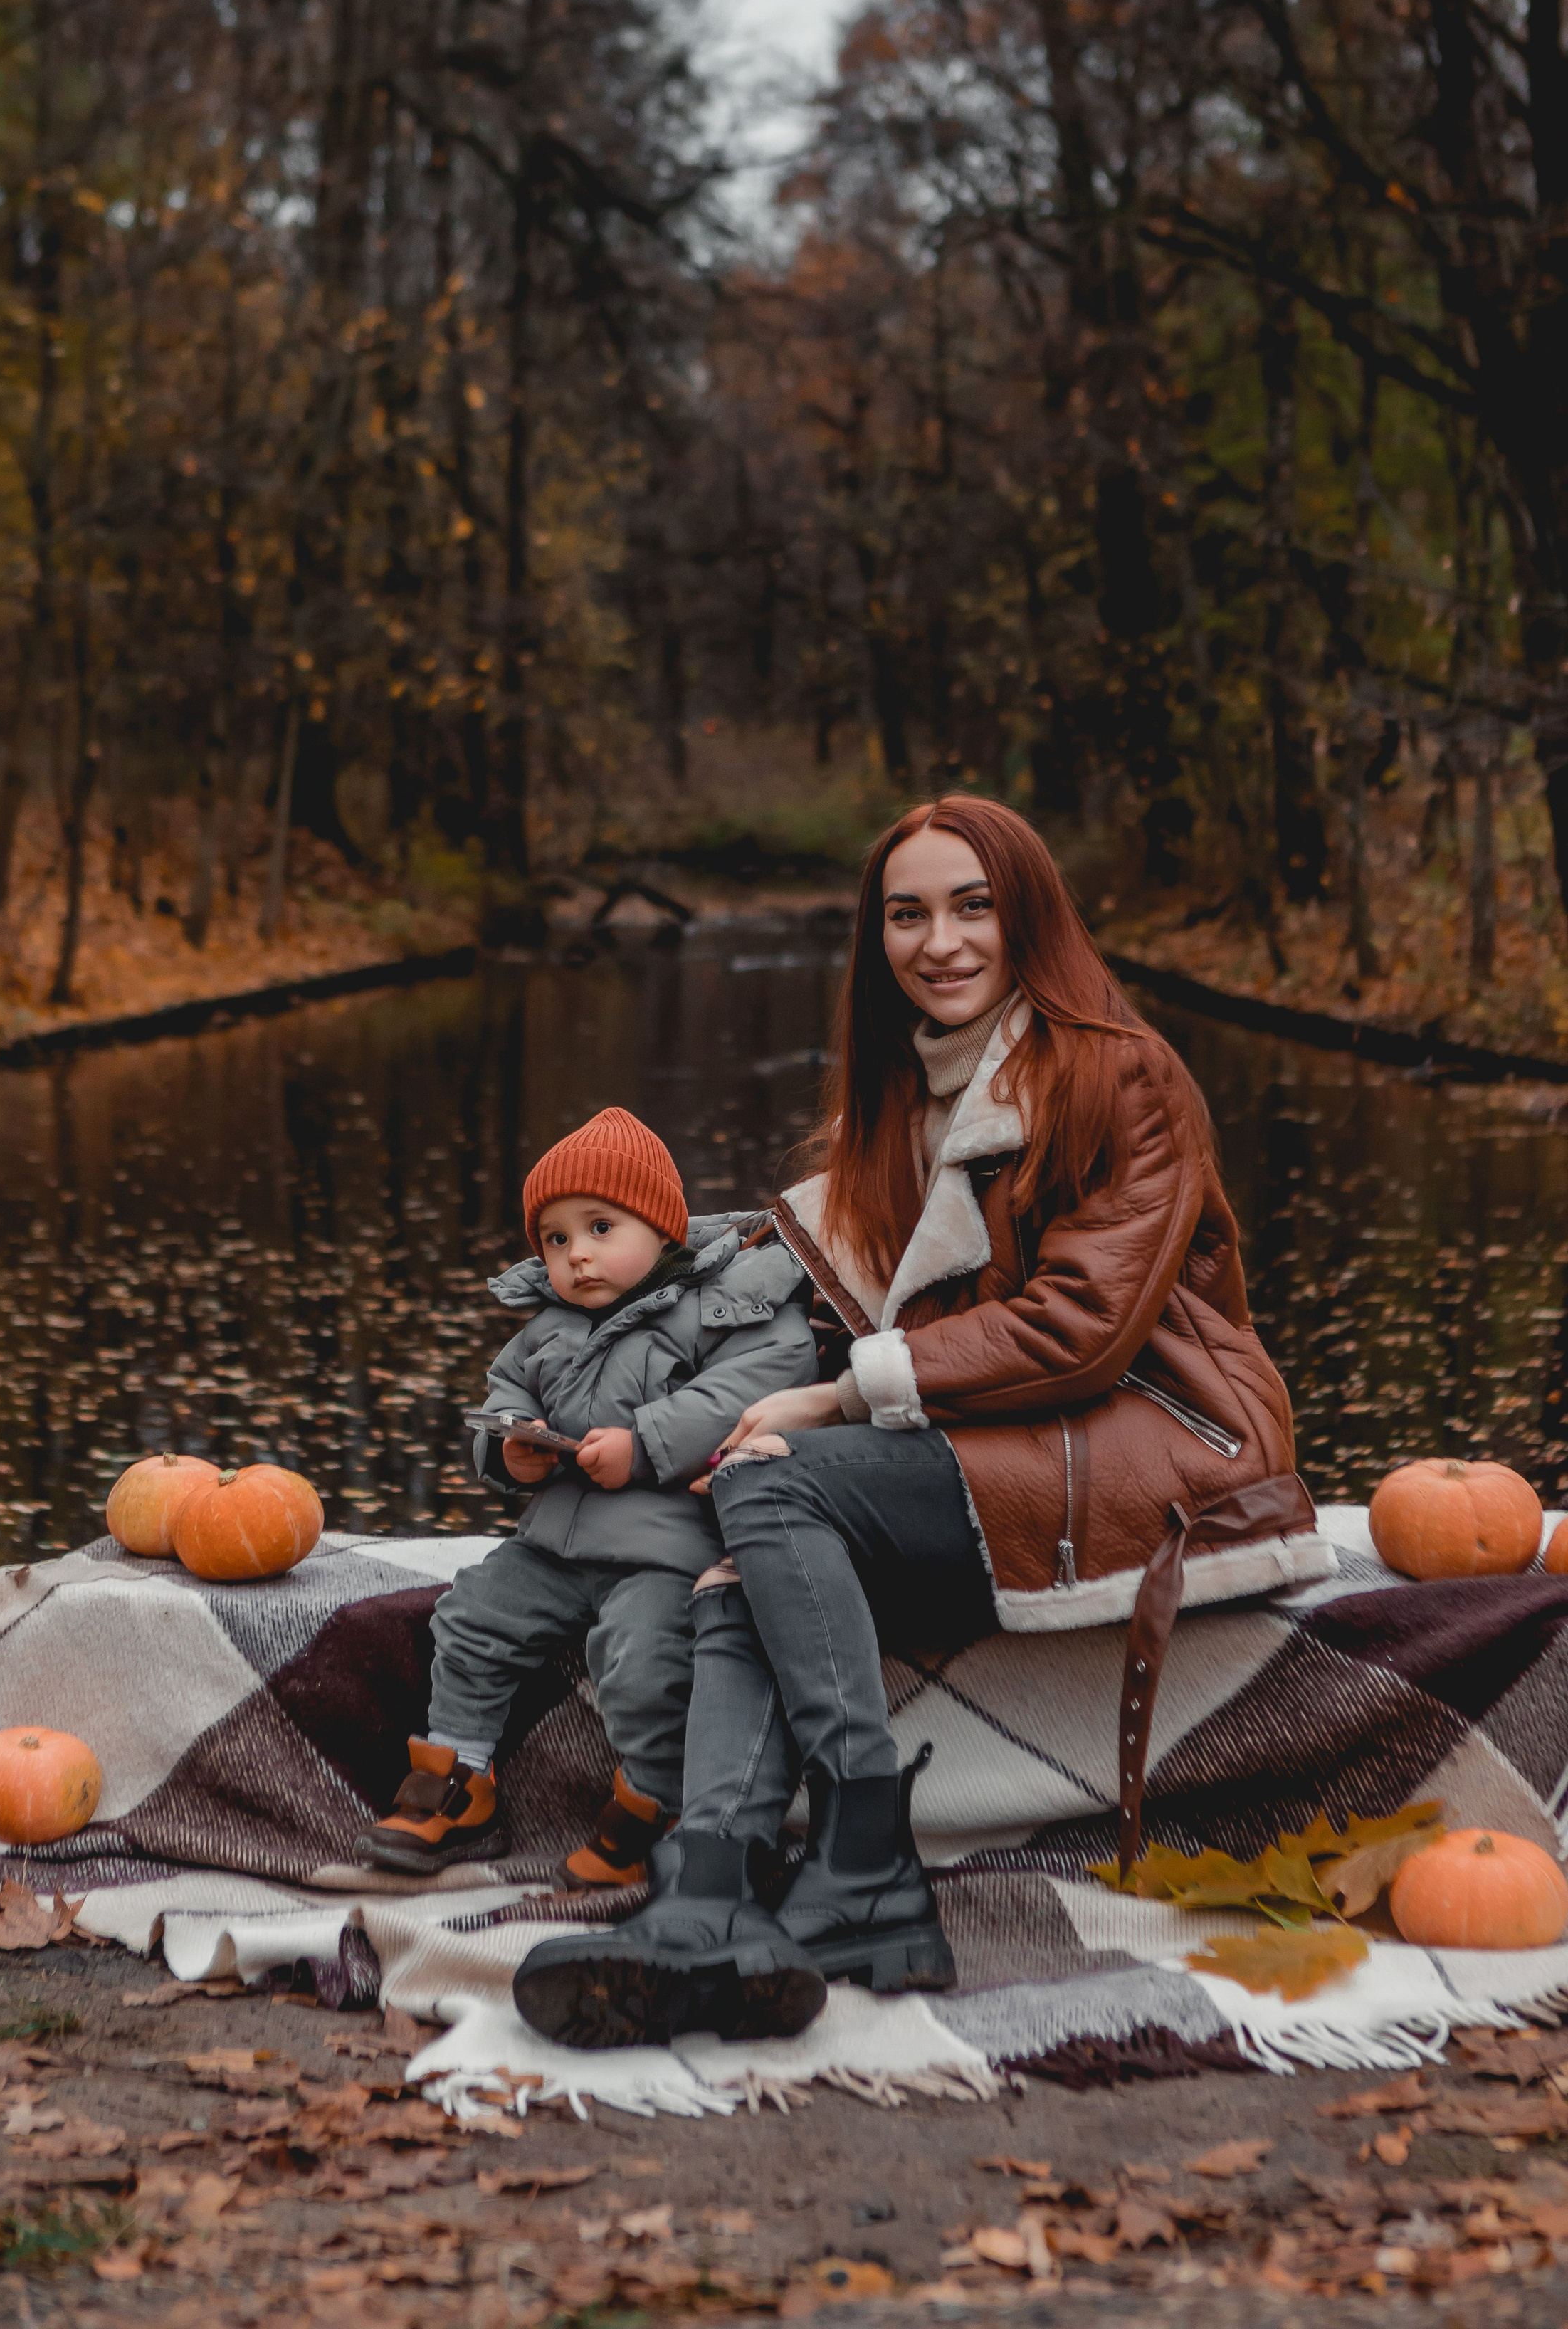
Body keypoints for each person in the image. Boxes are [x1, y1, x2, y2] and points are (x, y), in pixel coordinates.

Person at [514, 796, 1316, 2049]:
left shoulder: (1121, 1073)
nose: (938, 941)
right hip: (1009, 1448)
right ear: (874, 938)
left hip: (1159, 1440)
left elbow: (1077, 1332)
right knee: (753, 1514)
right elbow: (839, 1327)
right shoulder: (902, 1108)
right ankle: (709, 1892)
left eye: (971, 907)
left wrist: (838, 1400)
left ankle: (866, 1848)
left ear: (1027, 917)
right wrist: (675, 1414)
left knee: (783, 1485)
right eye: (906, 914)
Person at [356, 1104, 819, 1891]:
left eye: (601, 1228)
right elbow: (503, 1397)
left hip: (669, 1547)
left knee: (639, 1663)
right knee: (470, 1618)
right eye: (556, 1239)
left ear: (663, 1229)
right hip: (556, 1541)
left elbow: (770, 1374)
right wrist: (514, 1453)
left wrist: (647, 1443)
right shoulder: (546, 1328)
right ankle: (459, 1780)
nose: (576, 1257)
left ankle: (655, 1804)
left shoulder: (728, 1303)